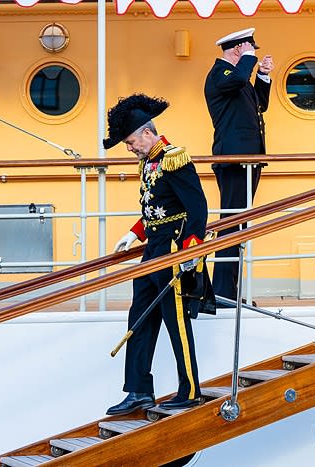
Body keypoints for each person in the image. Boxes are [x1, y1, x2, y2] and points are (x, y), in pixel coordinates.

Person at [104, 94, 214, 415]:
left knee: (175, 321)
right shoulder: (148, 162)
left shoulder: (173, 158)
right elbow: (155, 208)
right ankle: (138, 389)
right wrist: (133, 233)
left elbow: (197, 207)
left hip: (172, 249)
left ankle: (190, 389)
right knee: (139, 319)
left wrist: (192, 251)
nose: (129, 147)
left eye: (131, 141)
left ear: (147, 133)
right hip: (152, 248)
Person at [204, 27, 273, 304]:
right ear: (238, 49)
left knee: (239, 224)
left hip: (247, 160)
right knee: (231, 224)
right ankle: (222, 291)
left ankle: (228, 290)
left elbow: (259, 105)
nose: (253, 55)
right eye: (249, 50)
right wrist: (249, 60)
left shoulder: (236, 77)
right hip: (233, 160)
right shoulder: (220, 75)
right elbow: (239, 78)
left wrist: (264, 76)